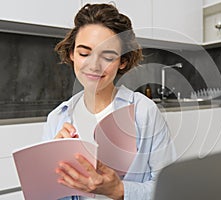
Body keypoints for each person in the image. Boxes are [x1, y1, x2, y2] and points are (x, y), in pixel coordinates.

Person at [42, 3, 176, 200]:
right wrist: (52, 169)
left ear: (122, 61)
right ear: (72, 54)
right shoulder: (57, 118)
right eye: (84, 53)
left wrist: (119, 191)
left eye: (108, 56)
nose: (94, 65)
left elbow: (169, 188)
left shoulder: (143, 111)